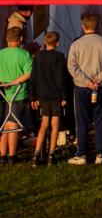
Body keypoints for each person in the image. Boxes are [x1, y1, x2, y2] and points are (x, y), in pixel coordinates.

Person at [66, 12, 102, 165]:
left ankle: (81, 154)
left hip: (82, 87)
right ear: (97, 26)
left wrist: (86, 81)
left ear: (83, 27)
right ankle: (101, 153)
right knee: (100, 120)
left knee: (81, 121)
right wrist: (99, 78)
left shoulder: (76, 44)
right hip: (100, 86)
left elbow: (71, 66)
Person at [29, 31, 70, 166]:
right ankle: (51, 154)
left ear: (44, 42)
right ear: (57, 43)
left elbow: (33, 78)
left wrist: (33, 97)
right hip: (56, 96)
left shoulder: (37, 57)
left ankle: (36, 154)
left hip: (43, 95)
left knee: (44, 124)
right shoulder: (59, 57)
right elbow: (60, 78)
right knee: (55, 124)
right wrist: (64, 96)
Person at [0, 27, 32, 163]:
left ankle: (3, 155)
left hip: (2, 93)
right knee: (13, 125)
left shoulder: (1, 54)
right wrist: (13, 83)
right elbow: (28, 73)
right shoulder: (24, 54)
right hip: (18, 94)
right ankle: (12, 155)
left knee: (5, 124)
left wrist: (3, 83)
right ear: (21, 39)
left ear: (7, 39)